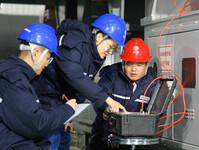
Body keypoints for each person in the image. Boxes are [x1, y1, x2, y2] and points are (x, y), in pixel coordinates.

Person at [31, 13, 127, 150]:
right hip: (43, 94)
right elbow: (74, 76)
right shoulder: (75, 41)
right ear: (99, 37)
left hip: (59, 98)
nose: (111, 52)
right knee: (51, 137)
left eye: (114, 49)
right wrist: (109, 100)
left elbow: (82, 85)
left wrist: (69, 116)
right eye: (111, 46)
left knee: (64, 137)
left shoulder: (95, 54)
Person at [0, 23, 77, 150]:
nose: (47, 64)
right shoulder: (15, 81)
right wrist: (67, 109)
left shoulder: (10, 71)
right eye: (48, 58)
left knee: (53, 137)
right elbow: (36, 123)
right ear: (35, 53)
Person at [86, 38, 157, 150]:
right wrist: (110, 133)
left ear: (146, 65)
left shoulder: (154, 85)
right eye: (129, 64)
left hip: (136, 141)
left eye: (139, 65)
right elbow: (99, 100)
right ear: (123, 63)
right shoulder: (111, 76)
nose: (134, 69)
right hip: (104, 138)